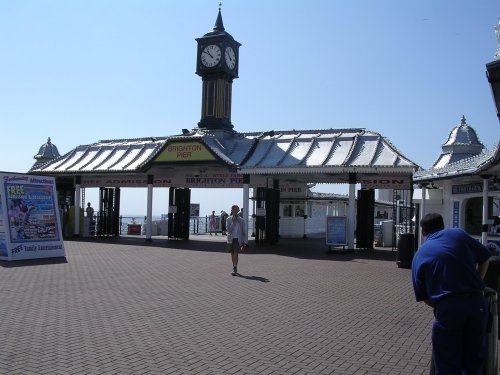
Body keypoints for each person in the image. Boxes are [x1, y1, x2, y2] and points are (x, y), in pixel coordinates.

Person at [411, 213, 491, 374]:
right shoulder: (458, 234)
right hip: (477, 303)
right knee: (474, 359)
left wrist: (445, 304)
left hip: (448, 307)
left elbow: (424, 296)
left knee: (447, 360)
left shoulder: (420, 254)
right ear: (443, 226)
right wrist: (479, 284)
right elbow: (485, 257)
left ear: (423, 232)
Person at [226, 204, 247, 276]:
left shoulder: (241, 220)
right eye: (234, 210)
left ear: (238, 211)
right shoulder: (228, 219)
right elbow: (229, 230)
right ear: (232, 210)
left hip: (238, 239)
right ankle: (234, 265)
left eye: (237, 210)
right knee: (232, 254)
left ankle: (235, 267)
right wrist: (233, 222)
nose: (236, 211)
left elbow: (243, 232)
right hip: (231, 239)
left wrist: (244, 241)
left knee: (236, 254)